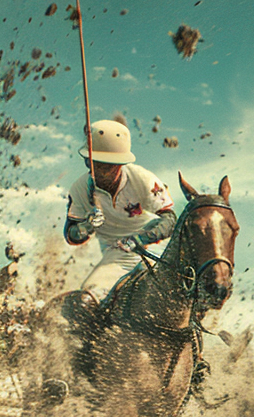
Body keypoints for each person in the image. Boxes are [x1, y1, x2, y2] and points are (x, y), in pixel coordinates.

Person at [62, 120, 176, 326]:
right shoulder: (79, 189)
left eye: (110, 166)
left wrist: (140, 239)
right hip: (118, 256)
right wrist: (85, 228)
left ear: (121, 164)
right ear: (88, 162)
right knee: (84, 304)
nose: (103, 173)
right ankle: (91, 352)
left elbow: (170, 220)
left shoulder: (142, 178)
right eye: (98, 165)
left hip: (159, 250)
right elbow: (70, 234)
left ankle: (197, 351)